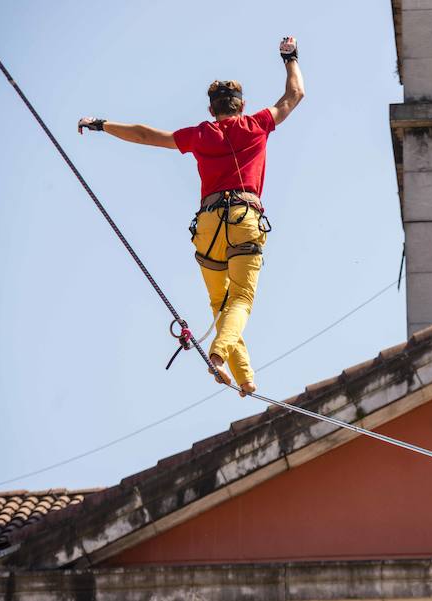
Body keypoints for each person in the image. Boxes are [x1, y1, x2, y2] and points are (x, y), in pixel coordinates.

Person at [77, 37, 305, 397]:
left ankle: (244, 377)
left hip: (209, 226)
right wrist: (289, 57)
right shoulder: (256, 125)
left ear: (212, 110)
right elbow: (294, 95)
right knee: (242, 299)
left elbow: (145, 134)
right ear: (241, 106)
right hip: (244, 218)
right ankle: (219, 354)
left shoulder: (201, 134)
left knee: (222, 303)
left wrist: (101, 124)